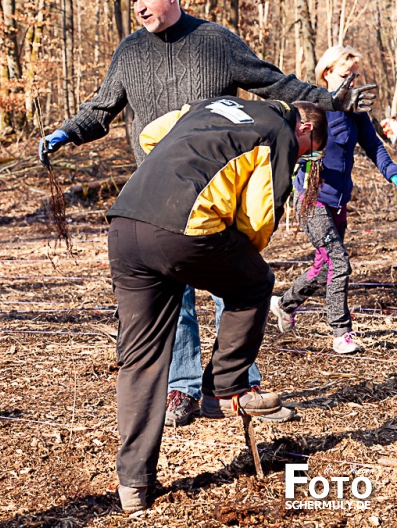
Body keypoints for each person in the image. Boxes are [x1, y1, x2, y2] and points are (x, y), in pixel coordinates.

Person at [38, 0, 377, 426]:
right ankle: (181, 388)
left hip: (226, 191)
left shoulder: (216, 42)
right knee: (172, 296)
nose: (138, 6)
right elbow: (101, 108)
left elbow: (274, 81)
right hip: (159, 197)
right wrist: (67, 133)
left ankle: (239, 381)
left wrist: (331, 100)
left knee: (236, 284)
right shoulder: (130, 53)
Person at [104, 95, 328, 512]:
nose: (301, 163)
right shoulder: (277, 132)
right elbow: (258, 221)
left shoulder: (212, 105)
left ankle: (133, 485)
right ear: (305, 129)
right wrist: (232, 234)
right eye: (306, 155)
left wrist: (180, 178)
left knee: (142, 360)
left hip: (126, 223)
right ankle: (223, 388)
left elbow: (152, 134)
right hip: (183, 231)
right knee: (256, 283)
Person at [270, 45, 397, 353]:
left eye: (355, 76)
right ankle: (341, 332)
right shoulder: (310, 107)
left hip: (339, 201)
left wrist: (393, 173)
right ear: (327, 73)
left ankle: (285, 304)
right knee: (340, 261)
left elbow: (374, 146)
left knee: (326, 267)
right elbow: (287, 146)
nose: (351, 81)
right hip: (312, 198)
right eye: (345, 74)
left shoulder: (356, 112)